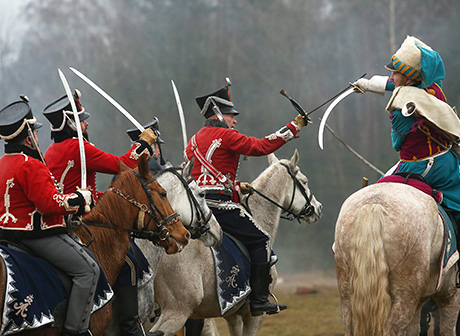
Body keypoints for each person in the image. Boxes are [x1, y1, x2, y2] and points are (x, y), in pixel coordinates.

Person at [353, 36, 460, 293]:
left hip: (416, 166)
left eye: (396, 72)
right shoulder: (434, 91)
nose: (392, 76)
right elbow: (396, 86)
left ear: (408, 78)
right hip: (441, 162)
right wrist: (368, 84)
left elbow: (397, 142)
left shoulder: (400, 110)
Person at [184, 78, 307, 316]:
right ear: (218, 114)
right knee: (261, 240)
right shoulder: (227, 136)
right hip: (220, 206)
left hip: (196, 206)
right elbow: (261, 147)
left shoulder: (193, 140)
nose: (234, 120)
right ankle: (259, 299)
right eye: (231, 115)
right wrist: (293, 127)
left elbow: (204, 172)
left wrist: (236, 185)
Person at [42, 89, 159, 336]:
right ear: (71, 124)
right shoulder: (78, 148)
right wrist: (143, 143)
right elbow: (124, 165)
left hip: (67, 217)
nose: (86, 123)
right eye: (81, 119)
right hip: (83, 220)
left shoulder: (53, 149)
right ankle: (130, 328)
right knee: (128, 263)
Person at [0, 96, 98, 336]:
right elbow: (48, 204)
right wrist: (79, 199)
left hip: (7, 235)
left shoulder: (3, 162)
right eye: (33, 131)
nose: (36, 135)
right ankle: (76, 331)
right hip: (36, 235)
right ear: (27, 136)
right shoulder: (29, 164)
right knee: (89, 271)